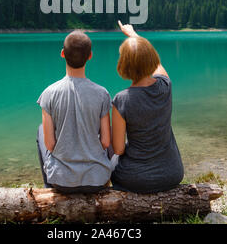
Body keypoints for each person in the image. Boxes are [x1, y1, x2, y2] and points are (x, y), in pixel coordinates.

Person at [111, 21, 184, 193]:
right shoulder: (165, 86)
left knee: (111, 155)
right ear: (152, 57)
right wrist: (134, 35)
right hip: (172, 173)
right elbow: (157, 65)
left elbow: (119, 149)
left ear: (124, 65)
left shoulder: (121, 100)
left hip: (135, 179)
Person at [36, 29, 113, 193]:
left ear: (62, 54)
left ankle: (48, 186)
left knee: (41, 130)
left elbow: (49, 144)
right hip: (97, 180)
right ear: (90, 56)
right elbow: (106, 142)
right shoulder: (102, 93)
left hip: (61, 181)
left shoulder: (49, 93)